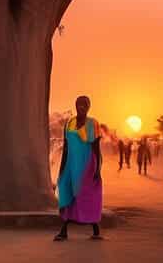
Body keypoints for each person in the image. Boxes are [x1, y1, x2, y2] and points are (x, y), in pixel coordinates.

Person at [54, 96, 103, 241]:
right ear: (75, 105)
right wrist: (62, 168)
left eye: (84, 104)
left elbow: (96, 148)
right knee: (69, 195)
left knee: (87, 197)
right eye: (79, 104)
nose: (81, 107)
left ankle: (95, 229)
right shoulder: (69, 123)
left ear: (89, 107)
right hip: (71, 165)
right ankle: (64, 231)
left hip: (88, 166)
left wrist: (98, 169)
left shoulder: (93, 124)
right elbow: (66, 147)